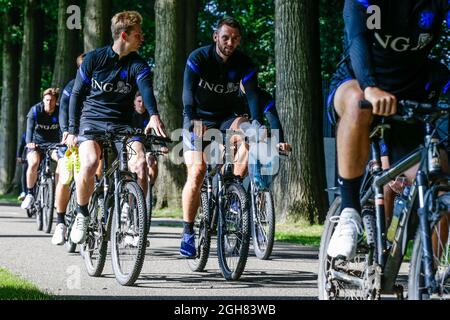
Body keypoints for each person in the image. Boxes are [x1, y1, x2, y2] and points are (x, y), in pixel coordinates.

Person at [326, 0, 450, 260]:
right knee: (358, 103)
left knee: (443, 183)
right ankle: (349, 212)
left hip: (408, 98)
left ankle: (429, 277)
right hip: (359, 80)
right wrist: (370, 85)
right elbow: (356, 38)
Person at [65, 11, 167, 245]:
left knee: (140, 164)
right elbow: (77, 94)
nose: (142, 38)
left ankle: (131, 219)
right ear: (124, 35)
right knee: (90, 163)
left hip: (124, 123)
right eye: (138, 35)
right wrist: (71, 129)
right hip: (92, 120)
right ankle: (82, 213)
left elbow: (147, 91)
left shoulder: (139, 64)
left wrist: (153, 115)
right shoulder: (94, 59)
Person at [180, 16, 261, 258]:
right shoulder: (199, 58)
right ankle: (188, 232)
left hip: (227, 117)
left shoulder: (245, 63)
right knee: (197, 171)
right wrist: (193, 120)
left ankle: (234, 191)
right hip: (197, 117)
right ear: (216, 36)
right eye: (225, 37)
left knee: (251, 132)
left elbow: (254, 97)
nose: (230, 42)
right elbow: (187, 93)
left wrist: (256, 123)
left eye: (235, 38)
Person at [51, 53, 85, 246]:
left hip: (90, 136)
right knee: (65, 177)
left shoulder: (97, 85)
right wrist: (66, 132)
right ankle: (61, 222)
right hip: (70, 137)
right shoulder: (71, 87)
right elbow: (63, 110)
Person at [21, 88, 61, 210]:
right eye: (47, 100)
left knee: (62, 162)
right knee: (33, 163)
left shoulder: (60, 111)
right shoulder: (35, 110)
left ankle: (57, 195)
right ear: (43, 100)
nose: (49, 103)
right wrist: (30, 143)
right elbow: (29, 130)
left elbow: (65, 127)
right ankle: (29, 194)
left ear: (56, 101)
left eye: (51, 100)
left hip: (53, 145)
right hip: (36, 144)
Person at [132, 91, 159, 187]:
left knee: (153, 162)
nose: (141, 104)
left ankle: (150, 187)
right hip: (129, 147)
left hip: (145, 146)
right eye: (139, 101)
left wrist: (163, 145)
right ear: (134, 102)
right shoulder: (129, 115)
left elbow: (157, 131)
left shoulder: (150, 116)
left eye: (143, 102)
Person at [16, 133, 27, 201]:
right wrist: (19, 156)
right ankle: (24, 192)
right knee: (25, 171)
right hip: (29, 156)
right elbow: (21, 145)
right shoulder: (26, 134)